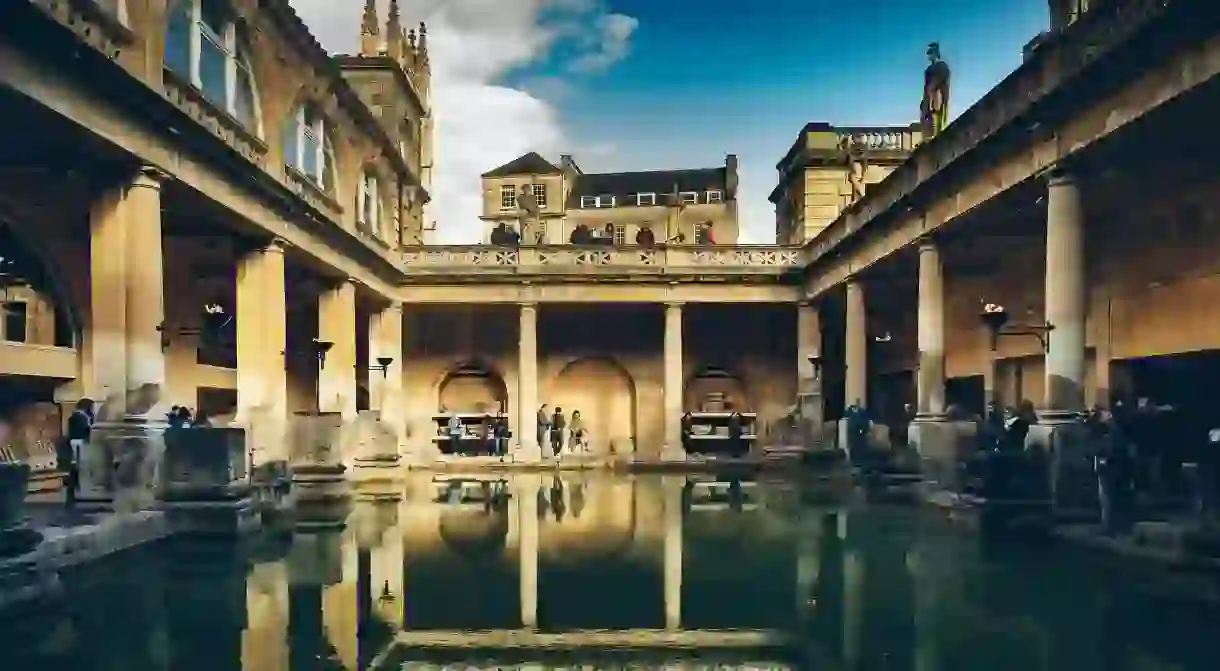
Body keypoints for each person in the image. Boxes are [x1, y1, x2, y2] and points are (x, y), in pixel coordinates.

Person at [62, 397, 95, 508]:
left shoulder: (76, 416)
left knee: (76, 470)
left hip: (76, 445)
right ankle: (74, 496)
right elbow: (87, 431)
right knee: (78, 470)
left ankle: (73, 496)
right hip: (79, 446)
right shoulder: (80, 417)